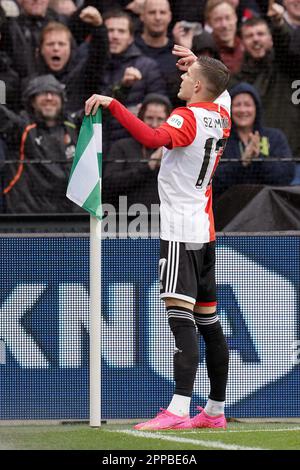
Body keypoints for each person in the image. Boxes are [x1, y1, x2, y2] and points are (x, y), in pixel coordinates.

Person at [85, 44, 231, 430]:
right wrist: (198, 60)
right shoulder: (222, 113)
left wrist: (114, 105)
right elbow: (221, 84)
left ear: (198, 85)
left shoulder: (188, 117)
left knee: (180, 318)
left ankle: (179, 409)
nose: (181, 77)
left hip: (181, 230)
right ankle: (214, 411)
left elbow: (152, 138)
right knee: (209, 322)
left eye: (187, 75)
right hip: (205, 229)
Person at [0, 74, 81, 213]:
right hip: (26, 217)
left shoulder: (74, 125)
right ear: (32, 101)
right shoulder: (20, 127)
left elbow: (102, 109)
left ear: (62, 100)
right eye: (43, 93)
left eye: (54, 93)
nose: (49, 97)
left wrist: (122, 88)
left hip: (69, 217)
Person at [213, 82, 295, 198]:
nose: (242, 110)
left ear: (256, 109)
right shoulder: (220, 138)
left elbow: (287, 175)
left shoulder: (275, 137)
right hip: (228, 209)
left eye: (247, 104)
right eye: (237, 105)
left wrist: (259, 159)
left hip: (266, 209)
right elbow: (212, 180)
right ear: (230, 109)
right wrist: (241, 163)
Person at [103, 93, 172, 210]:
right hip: (126, 219)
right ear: (140, 118)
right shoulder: (121, 146)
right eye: (149, 118)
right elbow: (109, 184)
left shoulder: (174, 151)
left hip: (165, 219)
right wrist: (147, 167)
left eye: (160, 119)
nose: (154, 124)